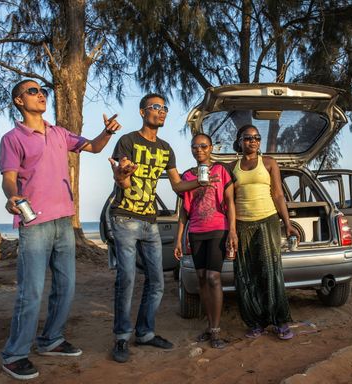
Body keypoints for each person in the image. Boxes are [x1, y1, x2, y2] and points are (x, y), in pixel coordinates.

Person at [0, 79, 122, 380]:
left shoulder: (59, 133)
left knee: (66, 287)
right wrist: (11, 196)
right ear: (18, 101)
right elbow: (9, 177)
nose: (40, 94)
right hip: (35, 223)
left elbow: (91, 147)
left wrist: (106, 132)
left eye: (42, 91)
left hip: (64, 220)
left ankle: (51, 339)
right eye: (32, 91)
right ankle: (14, 355)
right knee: (31, 292)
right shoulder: (13, 137)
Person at [108, 93, 217, 363]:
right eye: (156, 107)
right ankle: (122, 337)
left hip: (150, 221)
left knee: (157, 281)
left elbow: (178, 185)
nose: (162, 112)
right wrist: (122, 176)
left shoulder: (166, 148)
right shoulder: (128, 141)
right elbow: (121, 179)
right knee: (127, 279)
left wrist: (200, 184)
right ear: (143, 112)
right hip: (124, 217)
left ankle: (145, 332)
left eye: (164, 108)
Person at [230, 124, 299, 340]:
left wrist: (287, 223)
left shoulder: (269, 163)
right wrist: (231, 229)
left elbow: (278, 194)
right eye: (248, 137)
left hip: (268, 220)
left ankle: (280, 321)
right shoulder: (231, 167)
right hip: (242, 223)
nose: (253, 141)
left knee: (271, 271)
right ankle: (255, 322)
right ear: (240, 141)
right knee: (246, 274)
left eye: (256, 137)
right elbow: (229, 200)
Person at [173, 133, 238, 349]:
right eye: (195, 146)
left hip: (218, 228)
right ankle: (210, 327)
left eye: (203, 146)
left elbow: (230, 200)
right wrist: (179, 238)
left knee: (213, 277)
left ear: (211, 148)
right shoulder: (187, 176)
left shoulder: (221, 170)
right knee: (201, 277)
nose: (199, 149)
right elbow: (185, 211)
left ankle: (217, 331)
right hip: (196, 231)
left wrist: (233, 231)